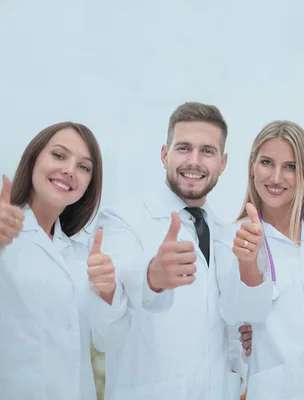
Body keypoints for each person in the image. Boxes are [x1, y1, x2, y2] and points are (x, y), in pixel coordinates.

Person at [88, 102, 245, 400]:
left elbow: (228, 331)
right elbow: (107, 331)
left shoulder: (225, 233)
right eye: (183, 148)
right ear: (165, 155)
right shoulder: (122, 220)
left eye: (207, 151)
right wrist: (152, 278)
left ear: (222, 163)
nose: (194, 161)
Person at [216, 120, 304, 400]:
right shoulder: (230, 238)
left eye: (290, 166)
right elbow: (234, 318)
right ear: (252, 166)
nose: (277, 177)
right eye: (267, 162)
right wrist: (248, 263)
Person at [0, 122, 115, 399]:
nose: (69, 170)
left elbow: (107, 337)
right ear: (34, 158)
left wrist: (110, 293)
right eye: (59, 155)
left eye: (84, 167)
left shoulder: (82, 257)